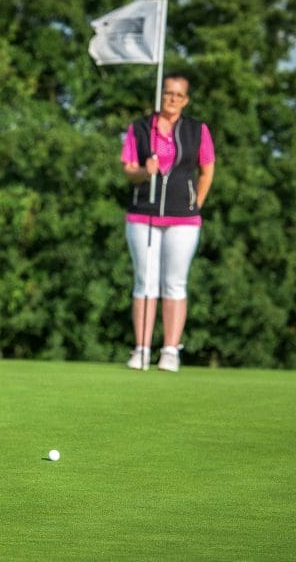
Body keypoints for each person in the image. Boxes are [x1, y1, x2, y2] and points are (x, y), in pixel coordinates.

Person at [121, 74, 215, 372]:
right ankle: (142, 349)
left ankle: (171, 350)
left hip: (183, 220)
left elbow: (207, 171)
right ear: (160, 95)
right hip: (143, 214)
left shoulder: (197, 130)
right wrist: (143, 173)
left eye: (178, 95)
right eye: (167, 94)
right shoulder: (139, 128)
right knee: (145, 282)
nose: (172, 99)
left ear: (185, 100)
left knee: (174, 283)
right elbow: (128, 170)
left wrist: (194, 204)